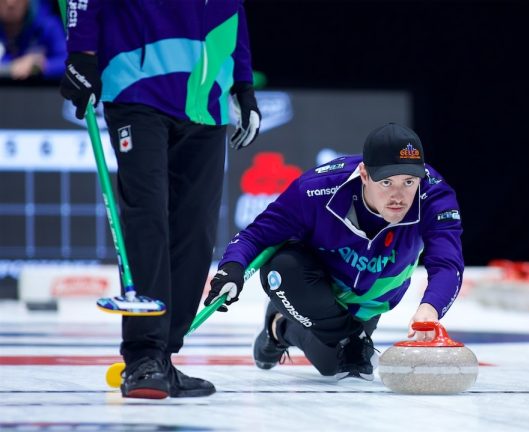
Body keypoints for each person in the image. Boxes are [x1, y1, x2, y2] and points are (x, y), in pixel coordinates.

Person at [59, 0, 261, 399]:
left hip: (207, 97)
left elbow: (232, 8)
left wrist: (243, 82)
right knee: (148, 218)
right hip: (138, 85)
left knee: (196, 231)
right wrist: (81, 52)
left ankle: (164, 355)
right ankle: (143, 356)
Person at [205, 122, 464, 380]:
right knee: (281, 270)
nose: (399, 196)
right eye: (386, 182)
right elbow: (256, 235)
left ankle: (278, 328)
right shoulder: (317, 187)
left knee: (334, 365)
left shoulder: (435, 196)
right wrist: (232, 268)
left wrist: (430, 309)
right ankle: (340, 334)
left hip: (370, 298)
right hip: (314, 282)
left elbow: (447, 264)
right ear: (364, 174)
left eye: (409, 181)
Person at [0, 0, 66, 80]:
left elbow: (68, 62)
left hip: (38, 89)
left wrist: (40, 65)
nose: (10, 3)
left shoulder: (48, 25)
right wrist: (12, 65)